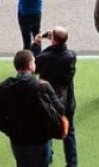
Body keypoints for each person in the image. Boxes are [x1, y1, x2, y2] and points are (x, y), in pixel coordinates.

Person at [0, 50, 65, 167]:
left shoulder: (4, 87)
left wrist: (12, 132)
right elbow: (60, 110)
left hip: (18, 141)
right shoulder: (42, 86)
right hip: (40, 141)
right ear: (30, 65)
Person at [35, 27, 78, 167]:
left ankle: (48, 156)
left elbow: (35, 64)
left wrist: (39, 41)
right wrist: (52, 37)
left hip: (48, 99)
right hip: (67, 100)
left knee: (46, 129)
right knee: (69, 131)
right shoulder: (71, 55)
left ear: (53, 40)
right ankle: (72, 163)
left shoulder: (44, 57)